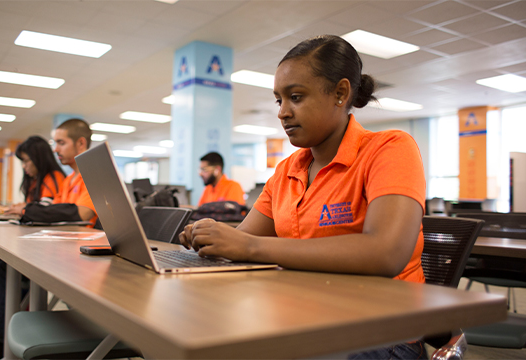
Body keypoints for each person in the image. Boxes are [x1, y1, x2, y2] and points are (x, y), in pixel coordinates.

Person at [180, 35, 427, 360]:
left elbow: (386, 253)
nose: (282, 112)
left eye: (295, 97)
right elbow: (240, 243)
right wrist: (211, 239)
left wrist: (250, 247)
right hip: (305, 314)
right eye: (278, 100)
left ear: (340, 93)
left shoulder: (389, 148)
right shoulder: (287, 171)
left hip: (381, 330)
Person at [0, 120, 96, 360]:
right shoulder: (69, 180)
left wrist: (27, 211)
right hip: (60, 245)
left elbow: (82, 213)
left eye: (60, 142)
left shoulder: (91, 174)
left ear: (80, 143)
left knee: (5, 268)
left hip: (74, 257)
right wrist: (26, 210)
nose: (55, 149)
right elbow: (54, 209)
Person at [0, 136, 66, 215]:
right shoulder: (34, 180)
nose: (23, 166)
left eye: (26, 161)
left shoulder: (54, 177)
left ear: (39, 159)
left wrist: (24, 209)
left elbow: (45, 209)